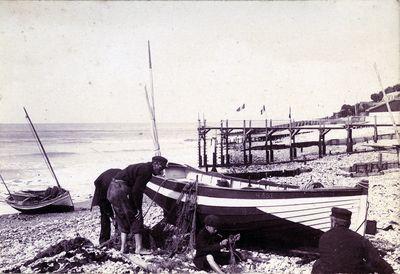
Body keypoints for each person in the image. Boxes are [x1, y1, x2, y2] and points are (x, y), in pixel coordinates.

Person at [107, 156, 168, 254]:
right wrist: (138, 208)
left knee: (121, 217)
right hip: (121, 189)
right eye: (161, 168)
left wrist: (134, 204)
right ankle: (139, 248)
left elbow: (133, 190)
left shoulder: (142, 167)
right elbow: (136, 191)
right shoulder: (147, 171)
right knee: (136, 217)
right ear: (155, 164)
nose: (161, 171)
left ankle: (122, 249)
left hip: (112, 189)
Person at [312, 207, 394, 274]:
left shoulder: (324, 237)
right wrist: (390, 271)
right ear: (349, 223)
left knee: (318, 264)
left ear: (333, 221)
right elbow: (376, 261)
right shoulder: (360, 239)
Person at [91, 168, 121, 244]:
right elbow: (104, 204)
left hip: (114, 181)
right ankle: (104, 239)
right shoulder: (103, 189)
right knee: (105, 214)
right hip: (103, 185)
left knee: (120, 211)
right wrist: (112, 217)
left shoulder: (124, 182)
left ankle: (120, 233)